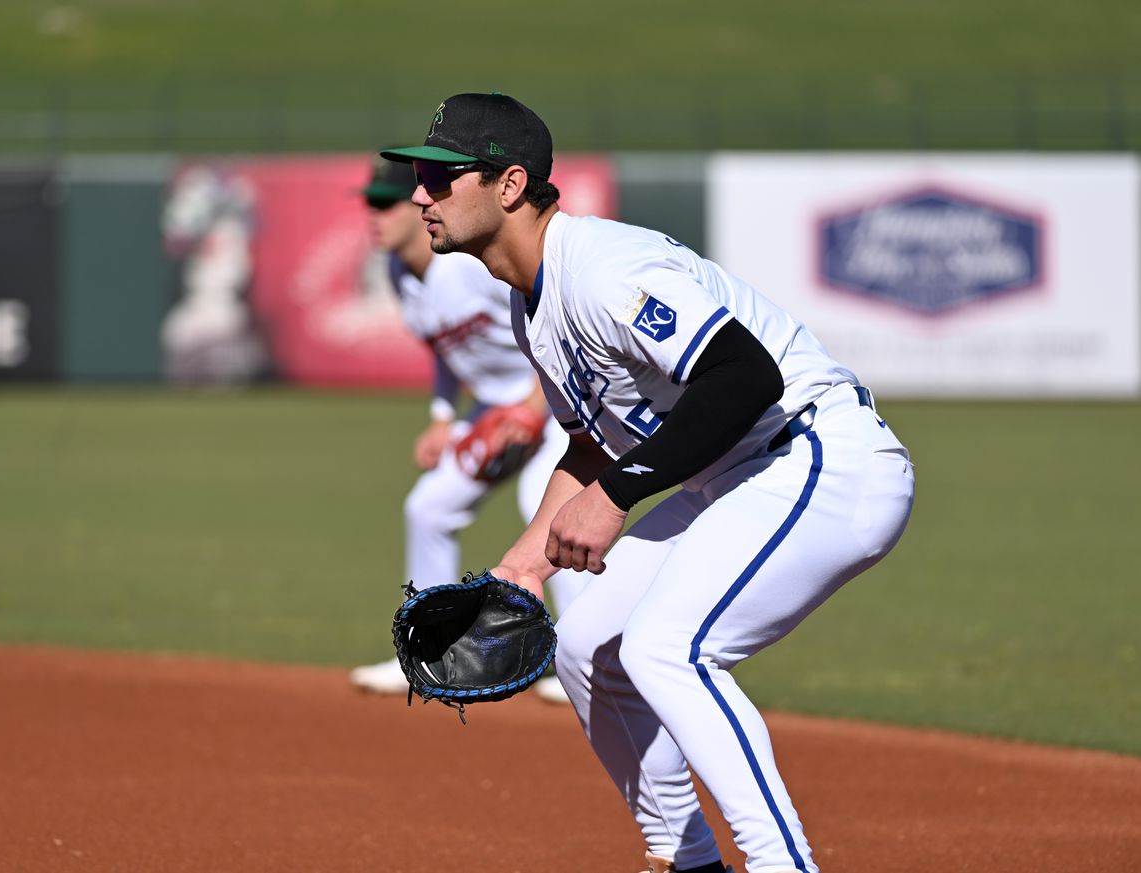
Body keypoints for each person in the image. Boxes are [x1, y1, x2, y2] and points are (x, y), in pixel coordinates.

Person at [381, 94, 915, 873]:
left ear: (507, 184)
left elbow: (743, 374)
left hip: (822, 456)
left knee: (670, 646)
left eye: (439, 174)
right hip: (737, 478)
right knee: (588, 647)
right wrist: (519, 569)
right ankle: (687, 858)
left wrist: (617, 496)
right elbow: (594, 447)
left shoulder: (603, 268)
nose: (419, 193)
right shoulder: (531, 307)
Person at [349, 155, 584, 703]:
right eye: (368, 204)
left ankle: (581, 660)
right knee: (428, 508)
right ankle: (428, 651)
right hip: (492, 413)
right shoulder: (400, 274)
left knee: (547, 512)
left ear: (414, 205)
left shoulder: (467, 266)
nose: (374, 215)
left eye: (385, 202)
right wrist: (441, 418)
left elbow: (548, 324)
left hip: (551, 397)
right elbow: (445, 352)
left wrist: (530, 406)